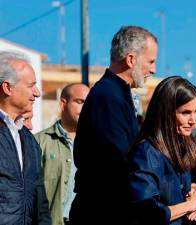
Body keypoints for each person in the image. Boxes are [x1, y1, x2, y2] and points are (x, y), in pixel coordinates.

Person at [70, 26, 158, 224]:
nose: (153, 69)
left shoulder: (118, 94)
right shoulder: (109, 97)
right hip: (103, 212)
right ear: (131, 59)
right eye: (151, 61)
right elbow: (119, 161)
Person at [128, 76, 196, 225]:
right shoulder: (147, 152)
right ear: (166, 113)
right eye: (185, 113)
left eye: (195, 111)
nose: (193, 120)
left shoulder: (181, 147)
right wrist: (189, 206)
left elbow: (179, 196)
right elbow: (146, 213)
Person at [0, 51, 51, 225]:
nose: (37, 93)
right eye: (31, 86)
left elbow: (40, 201)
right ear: (8, 88)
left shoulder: (28, 140)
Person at [35, 83, 89, 225]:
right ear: (63, 103)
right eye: (80, 102)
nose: (86, 107)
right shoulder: (39, 141)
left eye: (89, 103)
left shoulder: (97, 144)